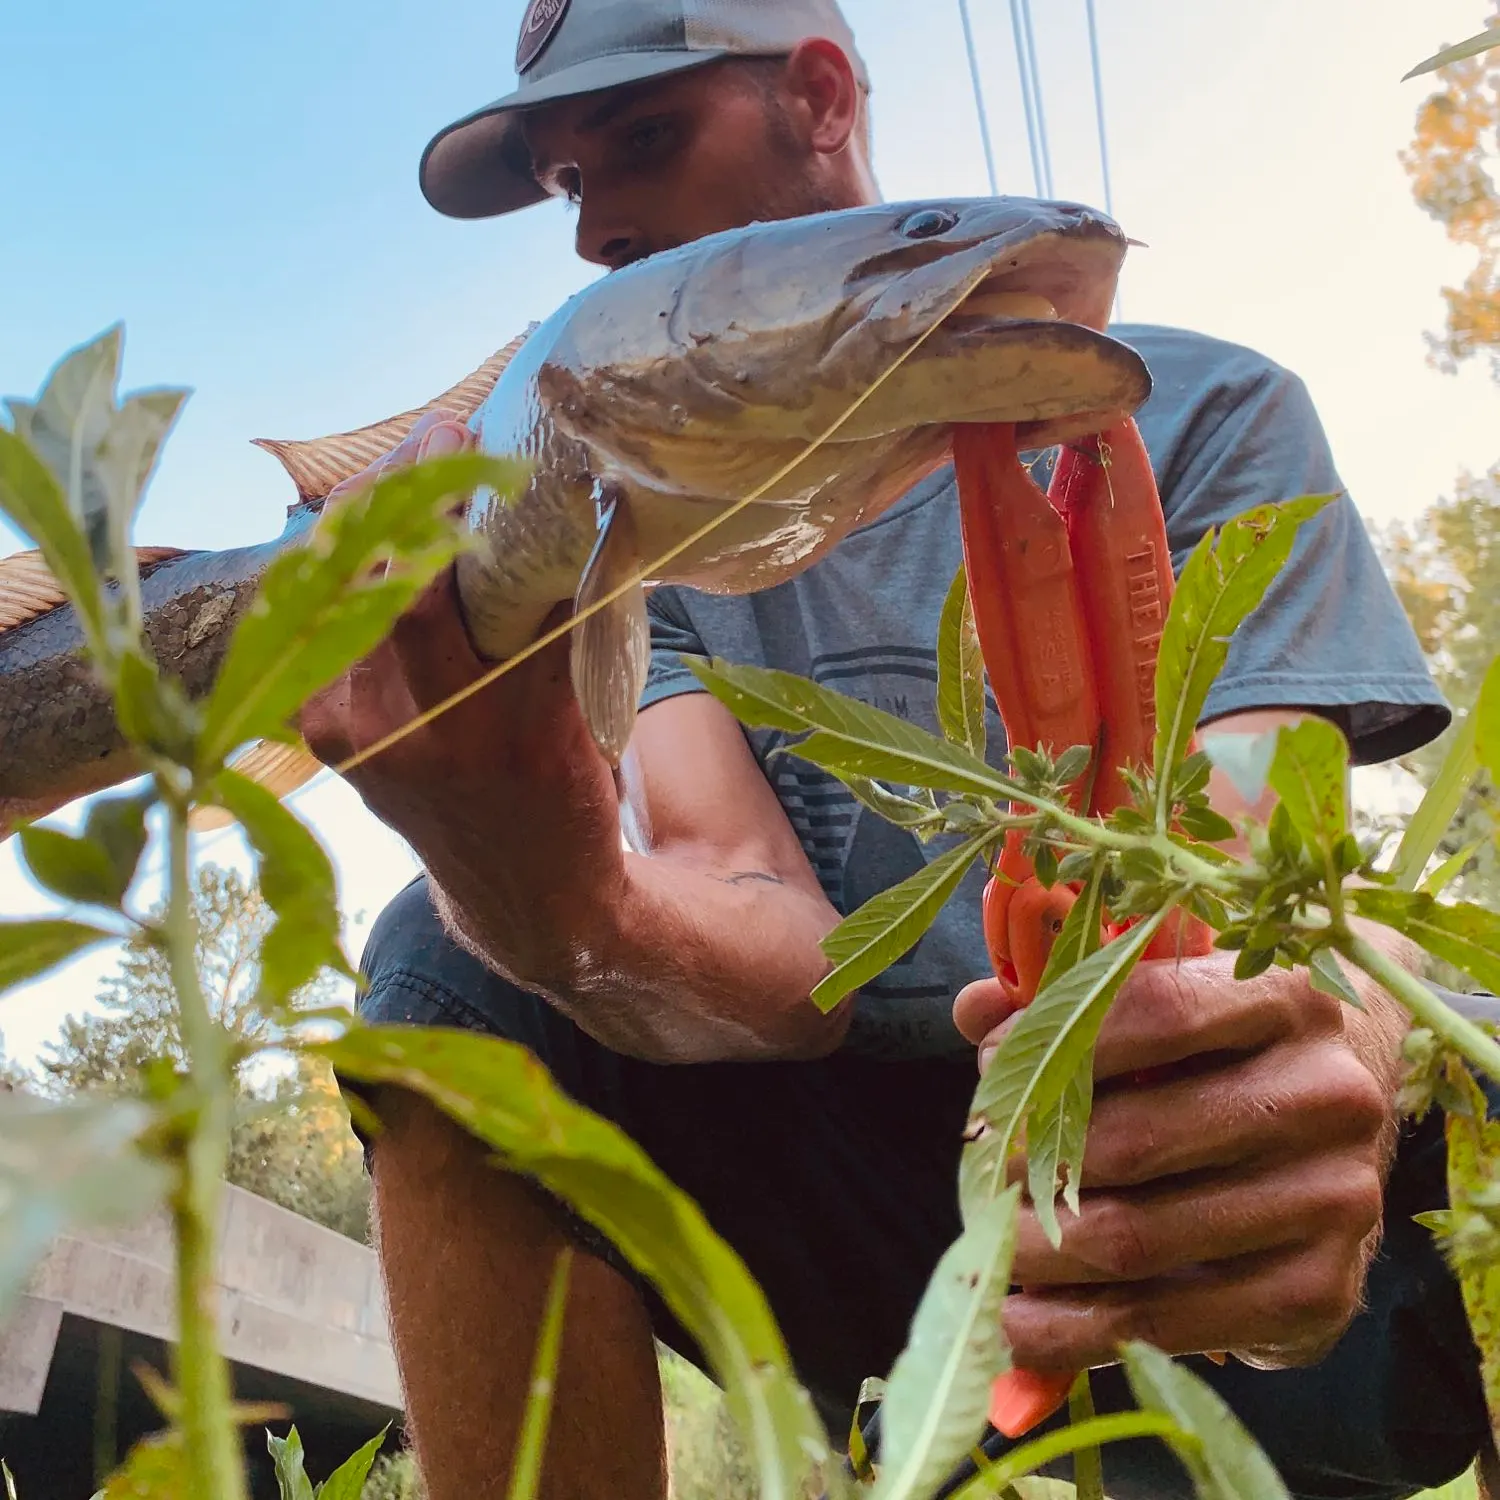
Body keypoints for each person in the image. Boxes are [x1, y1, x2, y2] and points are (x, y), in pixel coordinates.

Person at [301, 2, 1491, 1496]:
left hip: (1211, 1126)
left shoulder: (1216, 407)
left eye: (647, 139)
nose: (595, 225)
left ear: (819, 96)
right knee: (451, 966)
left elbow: (1253, 830)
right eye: (562, 185)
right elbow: (755, 911)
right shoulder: (630, 549)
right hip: (874, 1196)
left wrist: (1308, 1053)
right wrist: (557, 903)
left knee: (1464, 1050)